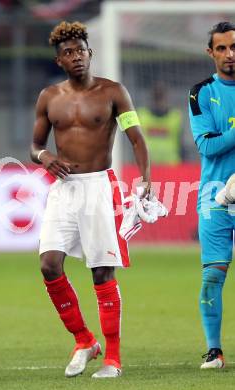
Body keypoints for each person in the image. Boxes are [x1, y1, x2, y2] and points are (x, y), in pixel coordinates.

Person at [30, 21, 151, 378]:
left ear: (90, 53)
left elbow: (137, 138)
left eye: (81, 50)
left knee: (101, 271)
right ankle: (84, 340)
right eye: (68, 52)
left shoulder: (113, 92)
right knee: (49, 264)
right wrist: (44, 158)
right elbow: (36, 145)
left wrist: (146, 180)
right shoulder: (48, 97)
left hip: (100, 187)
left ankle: (113, 358)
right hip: (64, 189)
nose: (76, 56)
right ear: (59, 61)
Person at [188, 21, 235, 369]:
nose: (230, 54)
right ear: (211, 52)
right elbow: (208, 146)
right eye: (222, 48)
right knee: (213, 274)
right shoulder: (200, 93)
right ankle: (214, 350)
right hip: (214, 194)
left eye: (234, 47)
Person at [138, 81, 183, 164]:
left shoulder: (175, 116)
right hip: (149, 165)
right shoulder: (142, 115)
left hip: (171, 166)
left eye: (160, 97)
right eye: (157, 97)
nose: (159, 101)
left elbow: (181, 144)